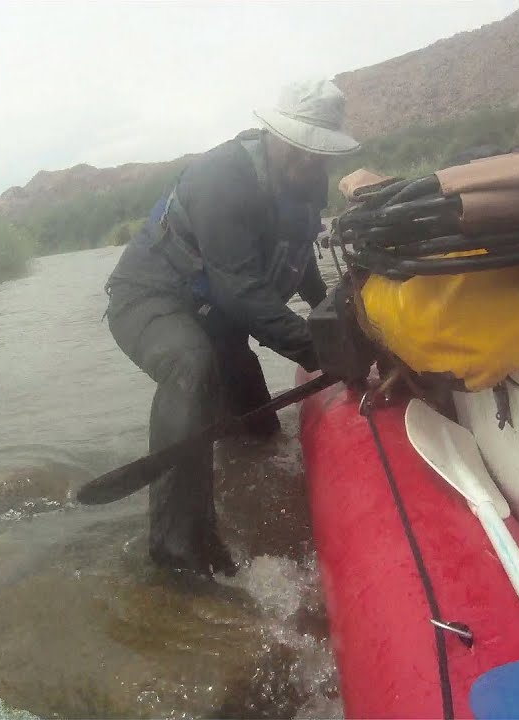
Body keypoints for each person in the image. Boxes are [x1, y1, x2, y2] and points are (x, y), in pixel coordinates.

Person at [103, 78, 361, 578]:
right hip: (150, 299)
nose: (309, 163)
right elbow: (240, 295)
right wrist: (321, 352)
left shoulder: (309, 181)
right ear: (274, 135)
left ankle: (236, 498)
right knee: (190, 366)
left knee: (259, 435)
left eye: (319, 153)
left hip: (216, 320)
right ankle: (176, 552)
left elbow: (298, 248)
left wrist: (329, 313)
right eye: (300, 149)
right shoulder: (221, 179)